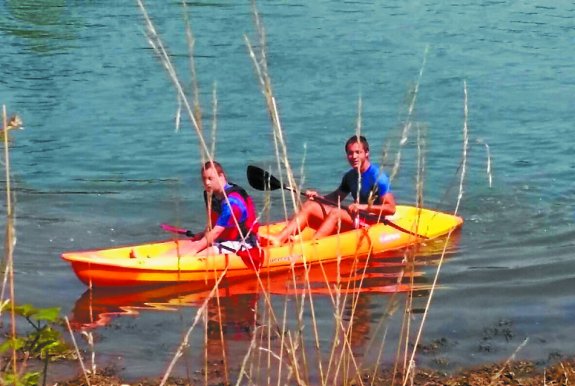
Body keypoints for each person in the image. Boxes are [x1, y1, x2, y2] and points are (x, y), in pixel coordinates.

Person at [268, 135, 396, 245]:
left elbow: (391, 209)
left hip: (373, 222)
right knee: (311, 205)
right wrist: (318, 197)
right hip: (357, 218)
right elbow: (335, 198)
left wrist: (362, 207)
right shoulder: (350, 176)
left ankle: (313, 246)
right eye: (350, 153)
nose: (354, 156)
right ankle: (280, 238)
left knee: (336, 213)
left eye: (358, 152)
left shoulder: (378, 177)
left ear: (366, 153)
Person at [185, 161, 259, 256]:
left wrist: (194, 250)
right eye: (204, 179)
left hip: (244, 243)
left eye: (210, 178)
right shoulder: (214, 196)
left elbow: (216, 232)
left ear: (221, 176)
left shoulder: (232, 202)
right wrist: (202, 235)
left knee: (198, 254)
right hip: (225, 239)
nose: (207, 183)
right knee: (189, 245)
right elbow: (213, 224)